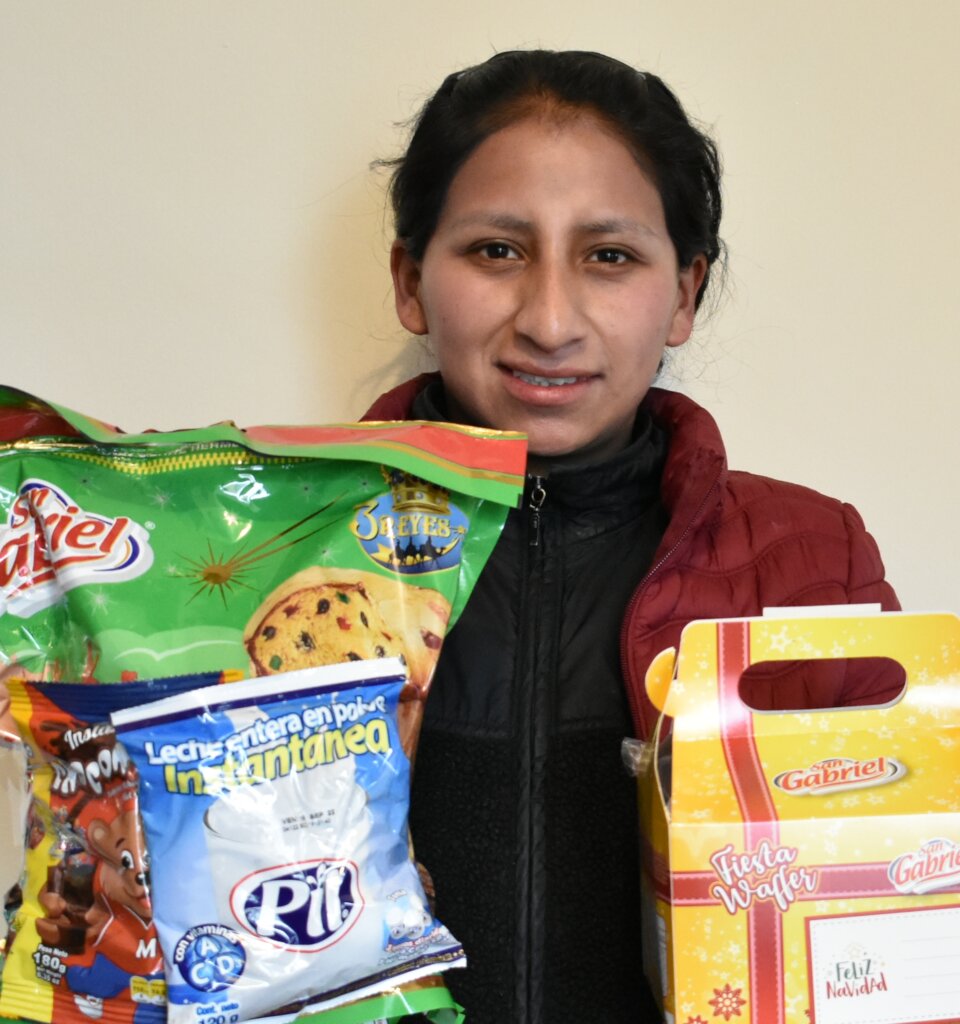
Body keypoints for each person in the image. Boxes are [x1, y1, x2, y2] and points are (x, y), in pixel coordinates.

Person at [363, 49, 900, 1024]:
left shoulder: (815, 564)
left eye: (609, 255)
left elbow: (888, 944)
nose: (551, 319)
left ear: (685, 291)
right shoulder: (266, 551)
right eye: (497, 250)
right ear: (411, 278)